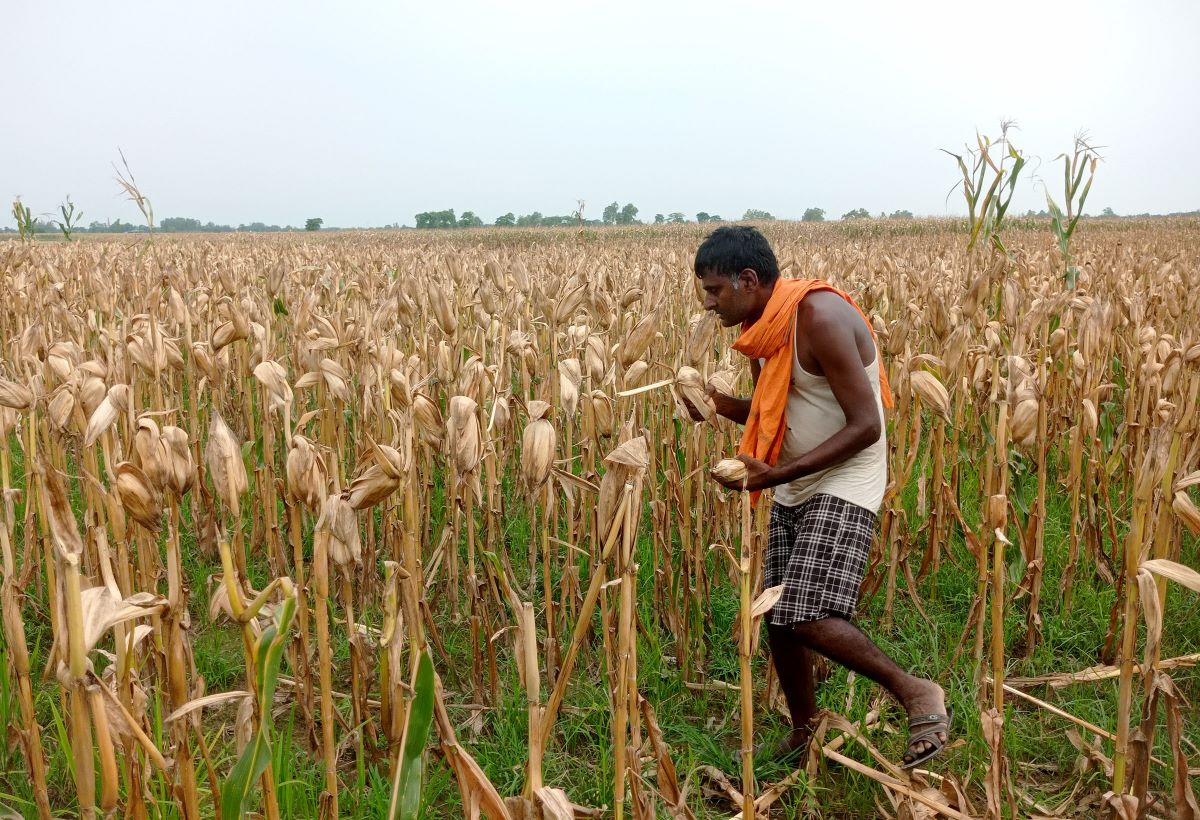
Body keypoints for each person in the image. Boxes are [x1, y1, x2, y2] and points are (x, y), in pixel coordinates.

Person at [685, 225, 950, 769]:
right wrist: (714, 405)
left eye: (714, 291)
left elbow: (866, 426)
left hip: (847, 474)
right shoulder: (766, 327)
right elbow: (775, 406)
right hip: (797, 475)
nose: (708, 304)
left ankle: (916, 691)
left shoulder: (819, 319)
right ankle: (806, 732)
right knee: (778, 615)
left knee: (804, 612)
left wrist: (773, 476)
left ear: (749, 279)